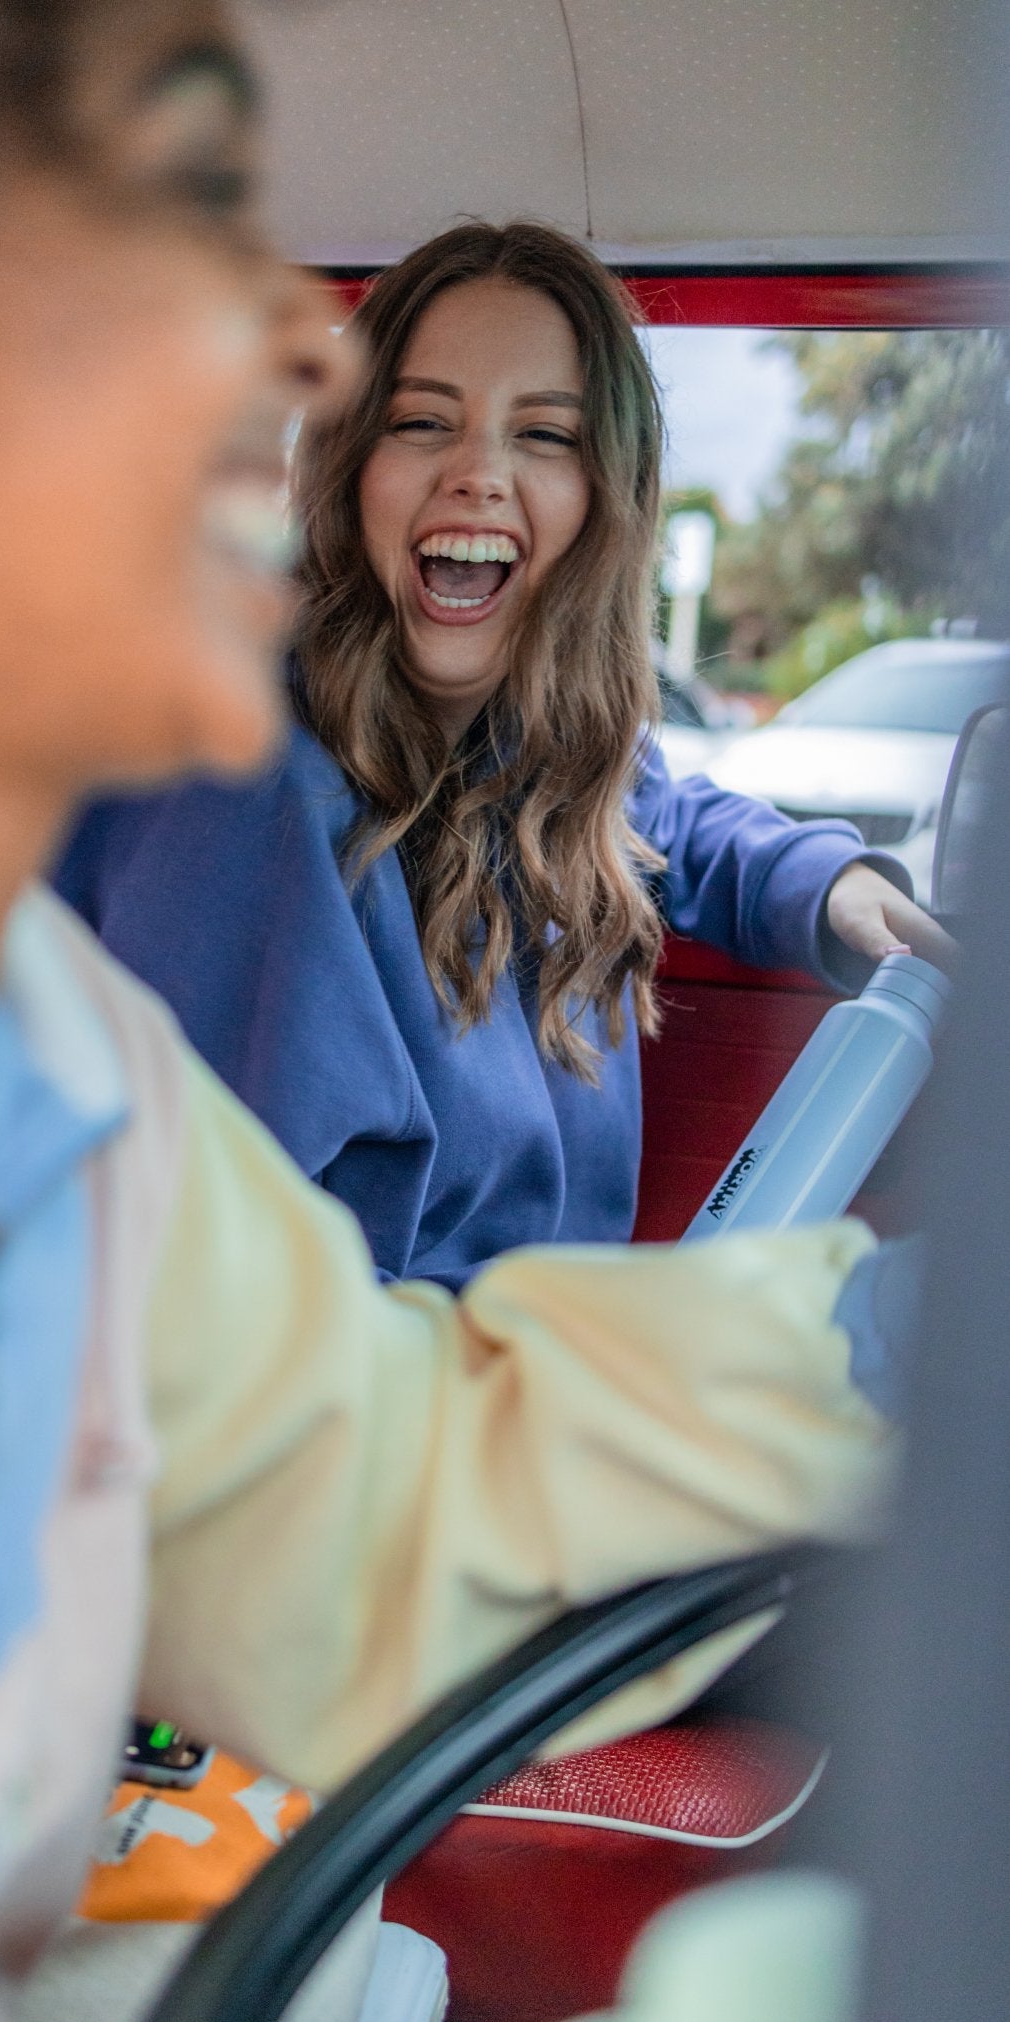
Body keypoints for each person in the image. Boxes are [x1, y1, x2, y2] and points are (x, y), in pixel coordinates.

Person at [0, 9, 892, 2022]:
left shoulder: (68, 1052)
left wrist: (884, 1331)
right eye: (170, 244)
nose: (298, 361)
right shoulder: (220, 839)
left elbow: (363, 1477)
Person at [57, 222, 950, 1287]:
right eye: (423, 421)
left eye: (545, 436)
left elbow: (654, 807)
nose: (479, 473)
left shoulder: (527, 745)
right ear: (351, 466)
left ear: (601, 502)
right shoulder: (241, 791)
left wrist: (825, 884)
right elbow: (206, 1322)